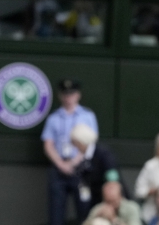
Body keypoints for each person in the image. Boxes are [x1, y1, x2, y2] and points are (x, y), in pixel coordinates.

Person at [41, 79, 99, 225]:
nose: (68, 98)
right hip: (59, 169)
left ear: (78, 95)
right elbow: (48, 144)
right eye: (65, 94)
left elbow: (91, 143)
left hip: (82, 168)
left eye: (72, 94)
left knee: (84, 210)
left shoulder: (88, 116)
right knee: (56, 213)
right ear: (60, 96)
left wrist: (75, 162)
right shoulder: (53, 118)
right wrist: (61, 164)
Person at [72, 124, 129, 211]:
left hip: (110, 203)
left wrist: (110, 203)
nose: (75, 147)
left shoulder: (104, 154)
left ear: (81, 142)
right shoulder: (84, 158)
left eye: (76, 143)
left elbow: (113, 180)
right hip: (94, 202)